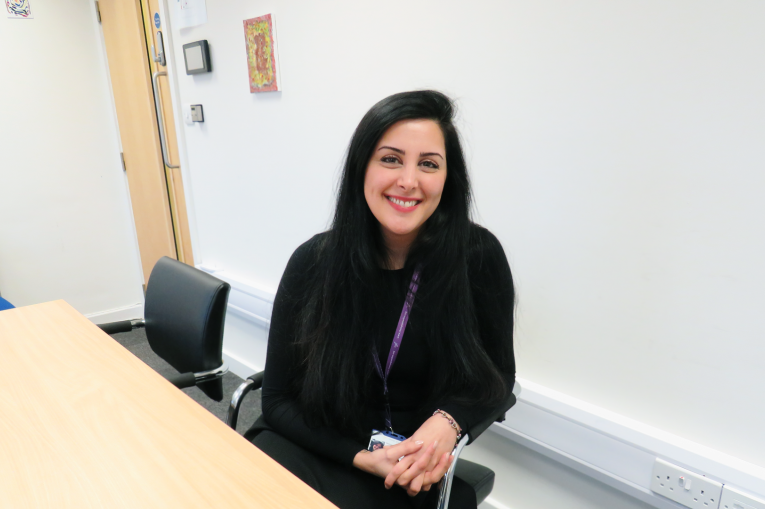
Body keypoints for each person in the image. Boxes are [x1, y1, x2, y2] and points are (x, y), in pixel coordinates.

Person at [245, 90, 516, 509]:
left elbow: (498, 378)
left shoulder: (476, 257)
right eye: (391, 159)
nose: (408, 181)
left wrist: (447, 422)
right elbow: (277, 401)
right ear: (362, 169)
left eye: (428, 164)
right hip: (316, 444)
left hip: (408, 466)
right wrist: (361, 458)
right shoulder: (313, 262)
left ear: (448, 177)